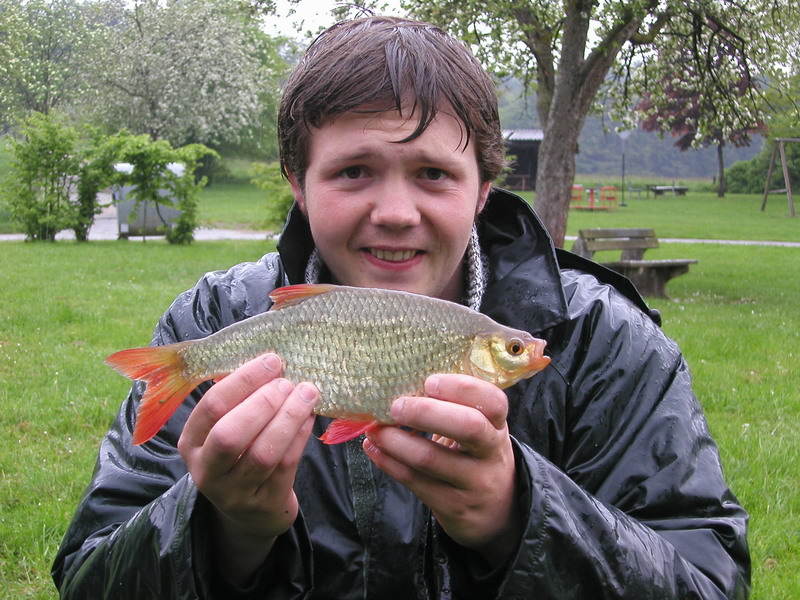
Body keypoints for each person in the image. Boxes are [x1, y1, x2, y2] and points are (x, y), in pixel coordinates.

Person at [53, 16, 750, 599]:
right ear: (299, 182)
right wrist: (221, 526)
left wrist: (520, 516)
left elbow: (709, 577)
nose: (394, 213)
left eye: (434, 174)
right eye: (354, 171)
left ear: (483, 189)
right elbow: (88, 577)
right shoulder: (213, 322)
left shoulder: (603, 339)